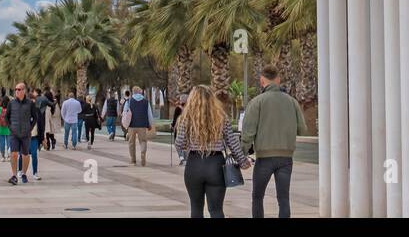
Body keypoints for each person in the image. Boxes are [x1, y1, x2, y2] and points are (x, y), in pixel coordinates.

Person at [174, 85, 250, 218]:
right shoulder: (221, 117)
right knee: (216, 210)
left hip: (194, 164)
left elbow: (179, 143)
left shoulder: (187, 118)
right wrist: (243, 161)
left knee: (196, 208)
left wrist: (189, 145)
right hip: (216, 165)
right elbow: (232, 142)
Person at [240, 66, 307, 218]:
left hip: (264, 158)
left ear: (262, 81)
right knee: (283, 199)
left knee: (257, 197)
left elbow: (248, 134)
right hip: (286, 158)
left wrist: (241, 155)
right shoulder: (292, 102)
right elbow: (302, 129)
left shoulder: (257, 102)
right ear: (278, 80)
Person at [4, 83, 36, 185]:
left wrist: (30, 128)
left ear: (24, 91)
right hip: (14, 133)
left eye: (19, 89)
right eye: (16, 89)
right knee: (14, 154)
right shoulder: (11, 103)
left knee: (25, 155)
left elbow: (35, 118)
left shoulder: (30, 103)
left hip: (26, 133)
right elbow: (6, 117)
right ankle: (14, 175)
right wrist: (10, 127)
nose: (17, 91)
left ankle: (24, 173)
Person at [123, 86, 156, 166]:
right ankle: (143, 156)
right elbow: (149, 114)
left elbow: (125, 113)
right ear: (140, 92)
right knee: (143, 141)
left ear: (133, 92)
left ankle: (133, 160)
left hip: (131, 125)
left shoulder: (129, 101)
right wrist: (150, 124)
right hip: (142, 125)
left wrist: (125, 123)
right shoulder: (146, 101)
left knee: (131, 142)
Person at [31, 88, 50, 176]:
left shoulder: (37, 111)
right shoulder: (25, 111)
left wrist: (42, 138)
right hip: (25, 136)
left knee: (34, 154)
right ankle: (21, 171)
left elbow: (41, 125)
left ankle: (35, 173)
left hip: (35, 136)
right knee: (23, 155)